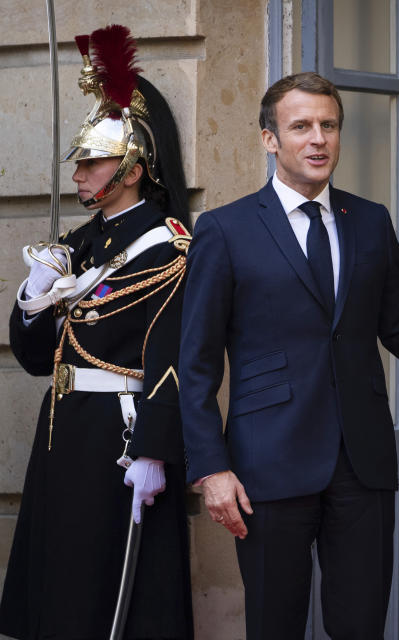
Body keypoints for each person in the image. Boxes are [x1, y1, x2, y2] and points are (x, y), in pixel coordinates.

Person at [178, 72, 399, 639]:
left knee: (361, 626)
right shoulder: (224, 229)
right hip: (266, 464)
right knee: (274, 625)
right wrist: (211, 467)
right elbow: (197, 362)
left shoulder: (370, 220)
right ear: (268, 139)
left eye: (328, 125)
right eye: (300, 126)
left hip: (363, 461)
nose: (318, 139)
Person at [0, 26, 193, 639]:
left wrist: (155, 449)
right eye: (81, 161)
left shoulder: (168, 247)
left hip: (120, 434)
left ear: (133, 168)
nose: (80, 173)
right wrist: (33, 298)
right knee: (60, 584)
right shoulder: (79, 243)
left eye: (93, 161)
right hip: (63, 429)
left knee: (111, 592)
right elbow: (34, 359)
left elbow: (172, 359)